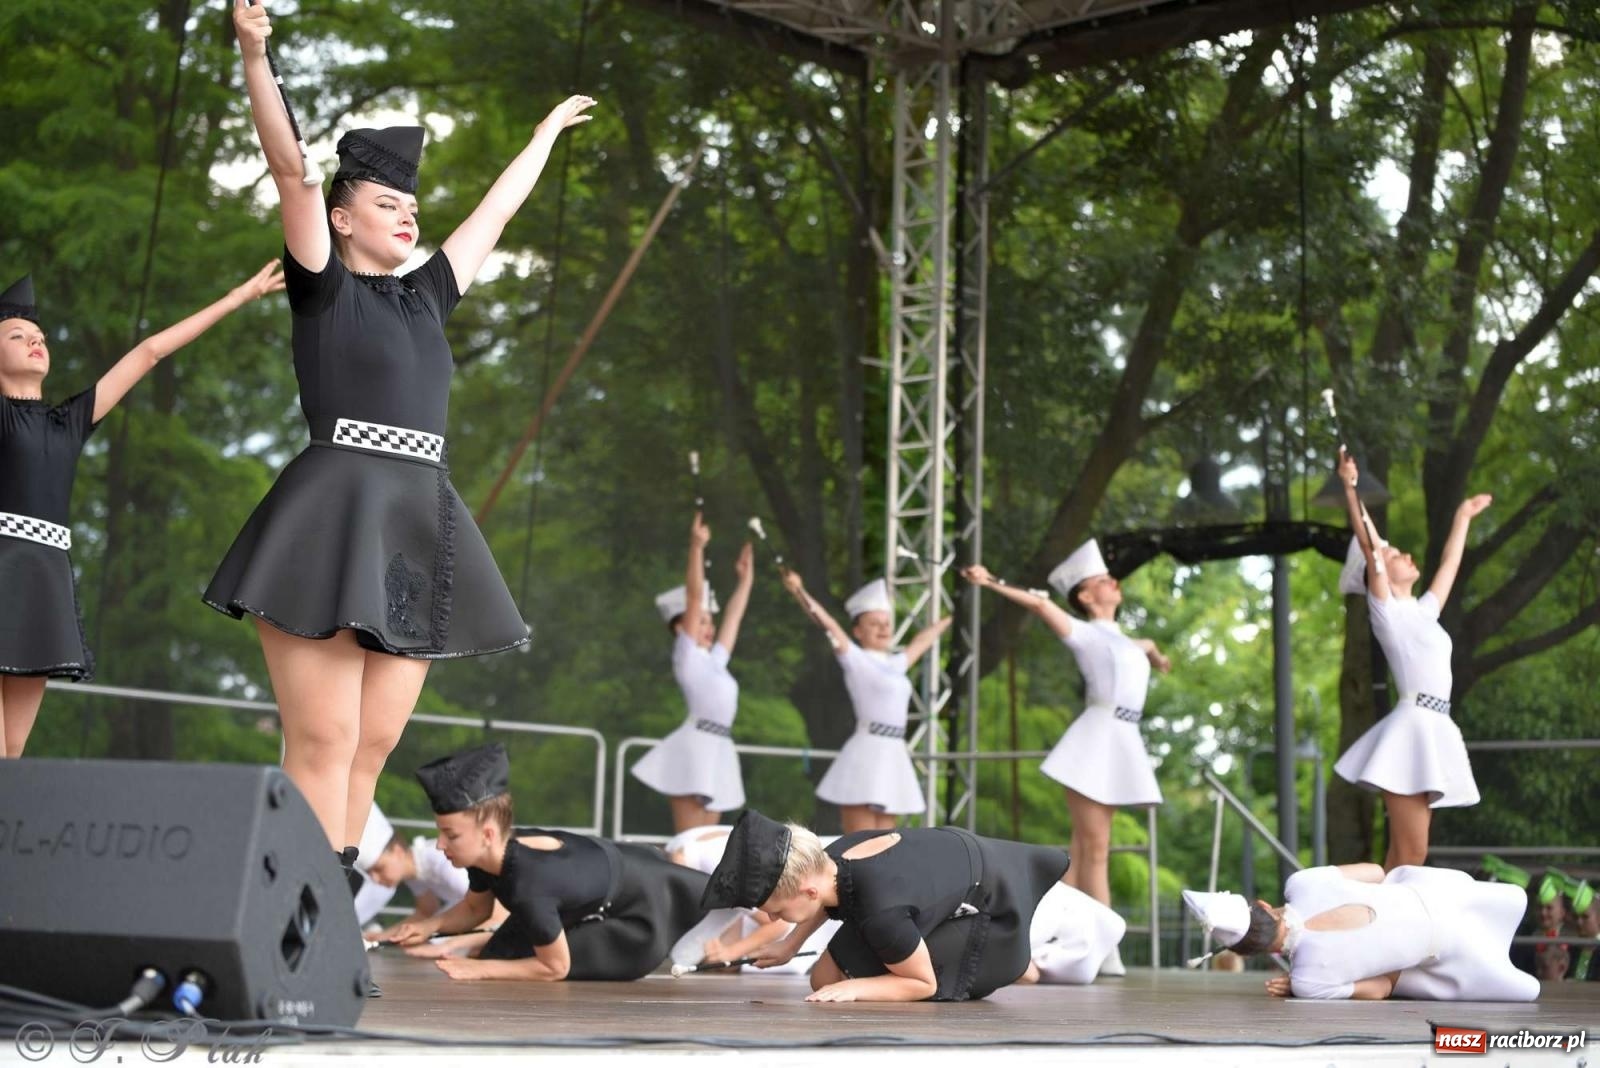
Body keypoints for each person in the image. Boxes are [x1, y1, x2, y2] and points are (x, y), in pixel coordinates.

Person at [210, 0, 593, 887]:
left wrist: (539, 138)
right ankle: (284, 924)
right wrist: (255, 54)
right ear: (343, 219)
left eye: (413, 203)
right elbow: (286, 167)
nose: (408, 214)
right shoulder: (322, 287)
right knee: (325, 736)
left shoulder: (427, 296)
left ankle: (326, 926)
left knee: (371, 747)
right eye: (387, 202)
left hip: (418, 520)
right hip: (333, 513)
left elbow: (496, 214)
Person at [0, 265, 283, 757]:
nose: (35, 342)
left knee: (13, 754)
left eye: (40, 335)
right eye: (18, 335)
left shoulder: (69, 421)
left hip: (44, 582)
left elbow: (150, 352)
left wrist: (237, 296)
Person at [962, 539, 1170, 976]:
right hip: (1095, 742)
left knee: (1083, 855)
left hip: (1121, 740)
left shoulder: (1122, 640)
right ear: (1085, 596)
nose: (1113, 582)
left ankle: (1041, 938)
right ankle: (1104, 946)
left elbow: (1138, 645)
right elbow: (1039, 606)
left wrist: (1155, 653)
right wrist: (991, 583)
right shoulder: (1084, 634)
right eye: (1101, 581)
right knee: (1095, 850)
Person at [386, 744, 708, 981]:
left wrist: (480, 969)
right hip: (598, 894)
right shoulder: (486, 855)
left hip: (634, 925)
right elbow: (475, 909)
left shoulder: (530, 882)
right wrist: (427, 927)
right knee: (498, 956)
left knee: (500, 963)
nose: (440, 844)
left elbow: (555, 967)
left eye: (450, 835)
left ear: (486, 834)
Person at [703, 809, 1069, 1002]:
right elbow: (819, 902)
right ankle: (1007, 958)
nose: (771, 918)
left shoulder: (881, 913)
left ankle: (1011, 960)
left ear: (808, 891)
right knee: (823, 979)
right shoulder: (830, 858)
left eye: (778, 911)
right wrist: (790, 943)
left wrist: (857, 989)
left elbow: (921, 983)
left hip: (990, 899)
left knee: (842, 982)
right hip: (936, 877)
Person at [1333, 449, 1488, 869]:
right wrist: (1350, 487)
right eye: (1396, 554)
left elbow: (1450, 564)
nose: (1407, 556)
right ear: (1376, 571)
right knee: (1412, 854)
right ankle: (1335, 898)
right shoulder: (1388, 612)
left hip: (1434, 729)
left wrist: (1462, 517)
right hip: (1411, 729)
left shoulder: (1422, 611)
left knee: (1403, 858)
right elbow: (1368, 542)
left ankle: (1375, 926)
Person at [1183, 863, 1539, 1001]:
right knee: (1515, 898)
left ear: (1252, 953)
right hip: (1442, 893)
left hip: (1450, 951)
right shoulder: (1302, 882)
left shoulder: (1308, 983)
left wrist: (1300, 985)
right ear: (1262, 906)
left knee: (1527, 990)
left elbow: (1383, 987)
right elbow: (1375, 870)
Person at [778, 571, 950, 832]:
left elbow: (922, 640)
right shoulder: (855, 659)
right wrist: (799, 591)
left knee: (887, 843)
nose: (882, 628)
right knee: (859, 842)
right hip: (867, 754)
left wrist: (956, 614)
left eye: (886, 623)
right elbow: (828, 625)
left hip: (893, 753)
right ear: (858, 631)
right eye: (874, 623)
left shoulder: (896, 664)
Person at [631, 512, 753, 832]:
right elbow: (694, 596)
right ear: (681, 626)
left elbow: (734, 618)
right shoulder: (687, 656)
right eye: (701, 621)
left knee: (708, 843)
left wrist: (746, 581)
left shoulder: (715, 662)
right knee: (688, 841)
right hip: (694, 748)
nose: (709, 627)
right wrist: (697, 547)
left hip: (719, 749)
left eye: (710, 622)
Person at [662, 824, 840, 974]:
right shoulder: (684, 846)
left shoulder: (721, 870)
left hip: (813, 888)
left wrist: (730, 953)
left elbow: (778, 923)